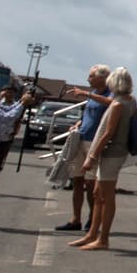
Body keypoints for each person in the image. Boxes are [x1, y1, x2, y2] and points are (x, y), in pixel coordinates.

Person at [69, 68, 137, 251]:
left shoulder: (117, 105)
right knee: (97, 194)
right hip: (116, 152)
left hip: (111, 154)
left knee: (106, 197)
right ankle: (92, 234)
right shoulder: (130, 101)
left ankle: (103, 238)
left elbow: (108, 133)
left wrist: (91, 157)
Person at [56, 65, 111, 231]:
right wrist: (77, 124)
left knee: (91, 182)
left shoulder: (110, 92)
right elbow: (87, 114)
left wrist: (87, 93)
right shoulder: (92, 96)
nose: (88, 79)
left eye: (91, 76)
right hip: (81, 138)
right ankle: (75, 219)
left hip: (95, 142)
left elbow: (113, 103)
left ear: (102, 78)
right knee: (78, 179)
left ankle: (92, 219)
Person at [0, 85, 34, 195]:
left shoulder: (4, 104)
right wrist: (22, 103)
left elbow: (12, 114)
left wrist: (22, 102)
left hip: (5, 137)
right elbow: (6, 117)